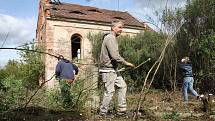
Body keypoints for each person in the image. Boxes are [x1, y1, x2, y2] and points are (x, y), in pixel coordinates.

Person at [99, 20, 135, 116]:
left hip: (113, 70)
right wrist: (126, 63)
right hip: (108, 70)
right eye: (119, 27)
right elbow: (115, 56)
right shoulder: (110, 38)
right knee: (109, 91)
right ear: (113, 28)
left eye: (122, 28)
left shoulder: (111, 38)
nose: (121, 30)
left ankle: (121, 110)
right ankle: (103, 113)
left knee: (122, 86)